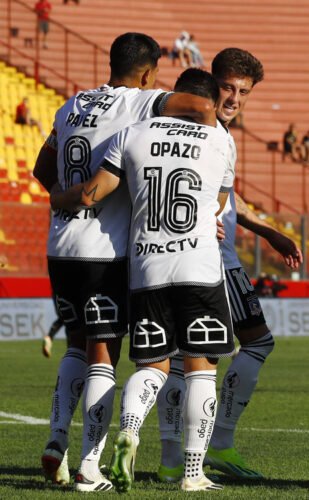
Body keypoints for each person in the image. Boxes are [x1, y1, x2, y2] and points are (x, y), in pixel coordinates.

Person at [33, 32, 216, 491]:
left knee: (76, 345)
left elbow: (41, 168)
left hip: (59, 246)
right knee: (103, 356)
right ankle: (89, 468)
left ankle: (58, 441)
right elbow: (200, 109)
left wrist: (64, 196)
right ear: (150, 71)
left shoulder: (70, 104)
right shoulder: (143, 102)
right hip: (104, 251)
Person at [154, 48, 302, 483]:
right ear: (209, 83)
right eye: (228, 88)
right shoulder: (213, 133)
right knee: (255, 344)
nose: (235, 98)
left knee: (180, 357)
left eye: (244, 91)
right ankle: (219, 442)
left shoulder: (189, 126)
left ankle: (168, 458)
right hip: (215, 262)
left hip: (178, 257)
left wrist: (266, 230)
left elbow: (224, 199)